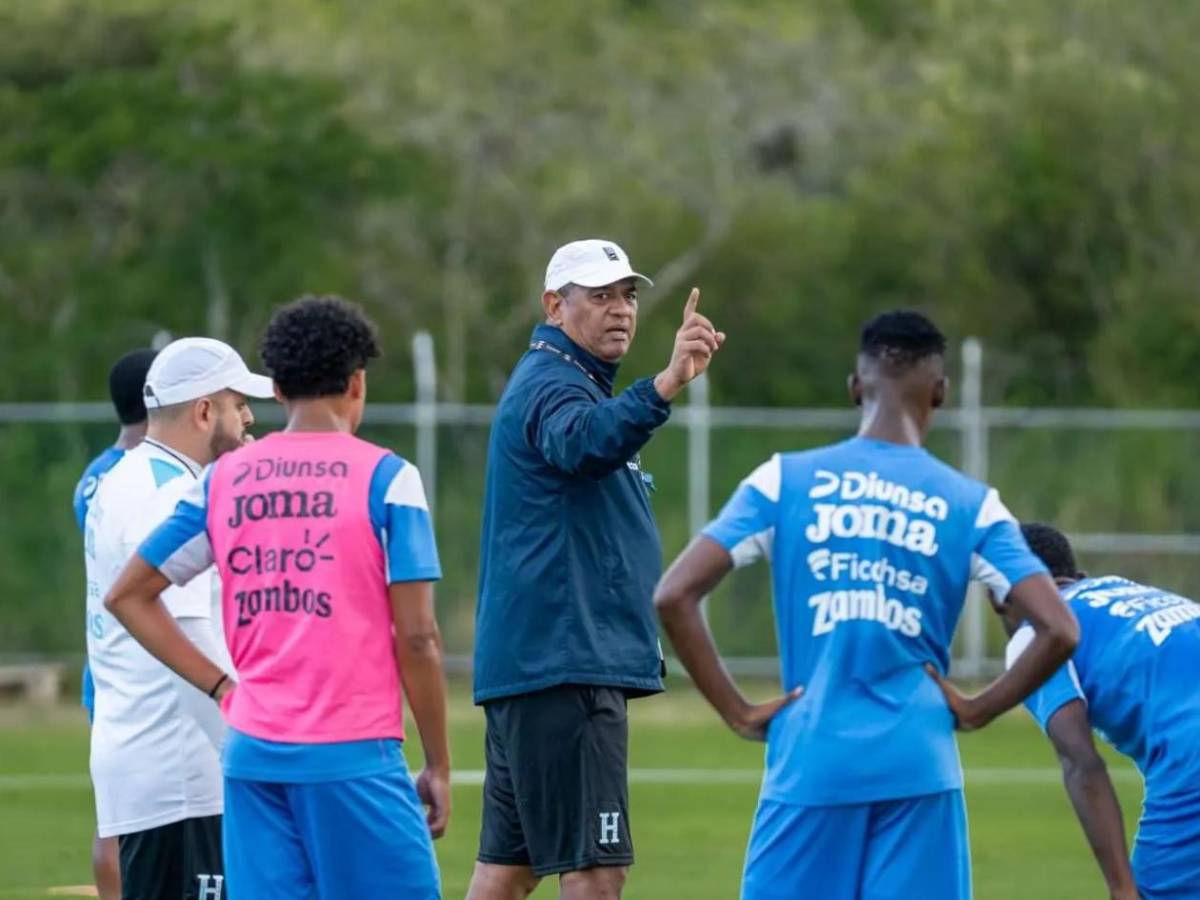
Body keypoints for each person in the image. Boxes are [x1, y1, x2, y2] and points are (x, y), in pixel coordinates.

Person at [653, 310, 1079, 900]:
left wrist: (738, 712)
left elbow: (674, 594)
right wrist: (979, 709)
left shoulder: (784, 482)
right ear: (941, 392)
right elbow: (1059, 627)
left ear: (856, 387)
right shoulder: (973, 505)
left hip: (811, 761)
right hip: (920, 764)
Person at [104, 295, 450, 899]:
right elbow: (417, 637)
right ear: (357, 384)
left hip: (252, 757)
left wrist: (222, 689)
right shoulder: (389, 478)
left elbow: (130, 596)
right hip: (353, 755)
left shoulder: (223, 479)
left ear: (279, 390)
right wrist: (438, 763)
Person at [467, 239, 725, 900]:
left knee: (508, 871)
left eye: (629, 295)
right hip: (565, 662)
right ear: (555, 305)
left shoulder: (566, 382)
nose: (621, 311)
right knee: (596, 870)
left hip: (536, 664)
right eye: (601, 296)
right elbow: (584, 441)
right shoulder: (555, 384)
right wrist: (666, 384)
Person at [84, 337, 270, 900]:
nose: (250, 418)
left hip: (153, 764)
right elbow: (189, 635)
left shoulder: (129, 477)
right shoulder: (168, 497)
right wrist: (246, 757)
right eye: (239, 404)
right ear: (204, 411)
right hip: (182, 771)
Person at [1004, 523, 1200, 900]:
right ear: (1079, 576)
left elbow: (1080, 762)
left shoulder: (1040, 631)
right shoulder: (1124, 589)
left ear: (1006, 596)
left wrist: (1121, 888)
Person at [73, 347, 157, 900]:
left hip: (102, 666)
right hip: (143, 664)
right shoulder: (142, 478)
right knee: (130, 823)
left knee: (114, 816)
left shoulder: (93, 477)